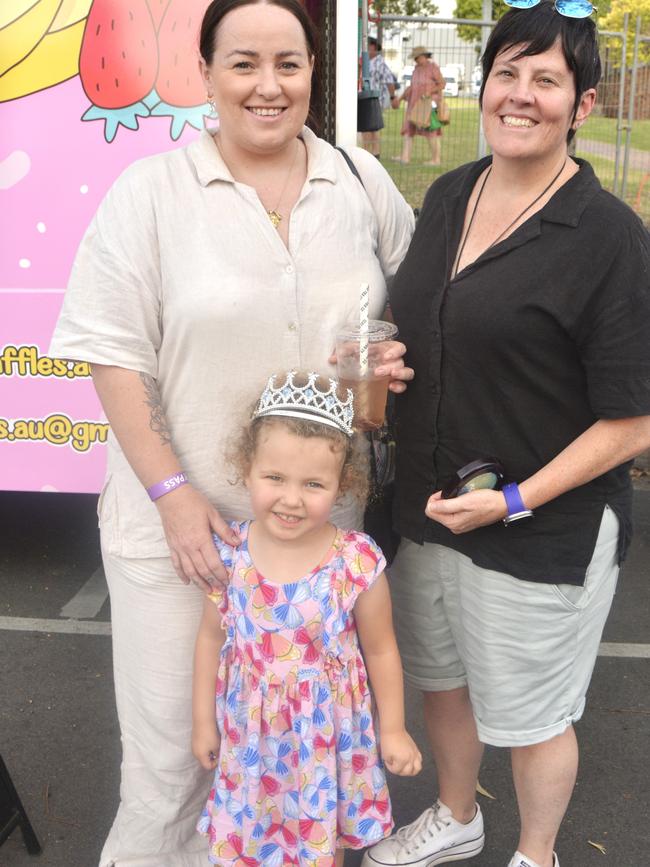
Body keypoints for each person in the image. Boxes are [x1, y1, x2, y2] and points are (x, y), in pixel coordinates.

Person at [48, 0, 415, 864]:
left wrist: (396, 353)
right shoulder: (151, 194)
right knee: (173, 773)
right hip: (185, 538)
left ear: (314, 72)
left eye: (288, 63)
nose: (268, 84)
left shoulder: (359, 182)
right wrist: (173, 494)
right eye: (243, 62)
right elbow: (111, 353)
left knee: (297, 775)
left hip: (315, 542)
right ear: (205, 72)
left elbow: (414, 305)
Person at [362, 4, 650, 867]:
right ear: (482, 85)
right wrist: (384, 356)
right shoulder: (453, 193)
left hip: (540, 528)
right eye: (508, 73)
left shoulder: (608, 239)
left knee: (531, 714)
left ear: (584, 104)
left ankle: (536, 851)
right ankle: (457, 815)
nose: (521, 96)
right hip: (426, 505)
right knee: (441, 682)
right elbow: (429, 322)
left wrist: (517, 499)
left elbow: (633, 420)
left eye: (547, 79)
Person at [192, 371, 422, 865]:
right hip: (250, 735)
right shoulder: (230, 556)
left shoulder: (354, 561)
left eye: (313, 484)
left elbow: (381, 648)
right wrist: (201, 724)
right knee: (250, 837)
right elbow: (212, 640)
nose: (291, 498)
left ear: (342, 485)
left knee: (321, 843)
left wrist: (395, 729)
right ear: (246, 471)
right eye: (275, 478)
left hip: (327, 736)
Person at [393, 47, 445, 166]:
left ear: (424, 56)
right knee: (408, 130)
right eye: (415, 58)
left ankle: (436, 160)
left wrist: (430, 91)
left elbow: (442, 84)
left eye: (417, 57)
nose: (415, 60)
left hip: (428, 104)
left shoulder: (433, 68)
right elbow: (411, 87)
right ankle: (405, 157)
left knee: (431, 131)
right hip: (414, 104)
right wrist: (400, 99)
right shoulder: (416, 69)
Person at [361, 37, 397, 160]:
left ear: (373, 47)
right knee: (365, 127)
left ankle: (375, 153)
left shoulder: (379, 63)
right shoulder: (367, 62)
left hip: (375, 99)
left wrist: (393, 97)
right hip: (365, 97)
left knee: (373, 127)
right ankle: (366, 151)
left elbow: (389, 81)